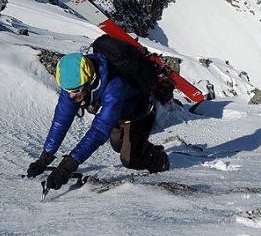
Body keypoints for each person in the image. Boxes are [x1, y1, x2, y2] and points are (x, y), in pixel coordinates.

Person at [27, 51, 170, 190]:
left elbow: (98, 132)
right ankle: (143, 148)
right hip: (116, 117)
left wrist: (67, 167)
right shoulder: (74, 86)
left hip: (140, 114)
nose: (71, 95)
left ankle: (160, 161)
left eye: (76, 91)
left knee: (130, 159)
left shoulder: (115, 87)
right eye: (66, 90)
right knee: (117, 145)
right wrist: (44, 158)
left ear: (90, 81)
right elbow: (60, 122)